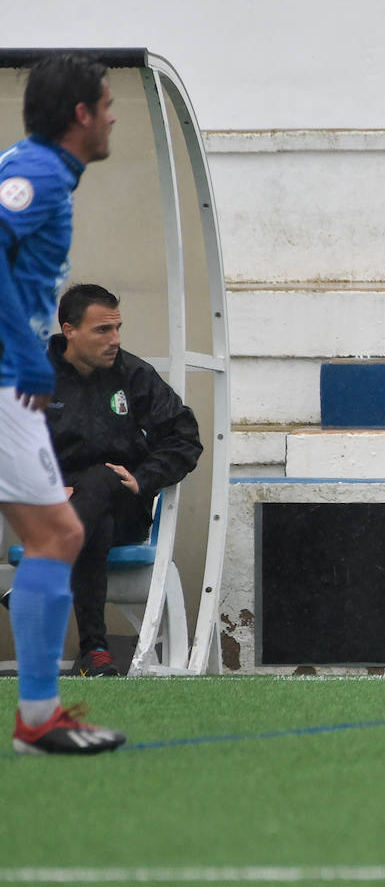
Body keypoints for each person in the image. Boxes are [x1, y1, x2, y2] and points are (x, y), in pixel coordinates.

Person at [0, 51, 126, 752]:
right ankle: (40, 719)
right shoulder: (40, 173)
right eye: (107, 105)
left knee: (57, 535)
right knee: (59, 536)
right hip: (3, 382)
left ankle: (39, 716)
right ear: (81, 115)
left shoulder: (34, 166)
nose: (112, 116)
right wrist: (21, 354)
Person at [19, 283, 199, 677]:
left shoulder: (134, 375)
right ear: (69, 330)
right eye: (103, 330)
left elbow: (185, 438)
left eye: (118, 328)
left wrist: (143, 476)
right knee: (91, 518)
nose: (115, 339)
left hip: (125, 506)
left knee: (101, 480)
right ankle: (95, 653)